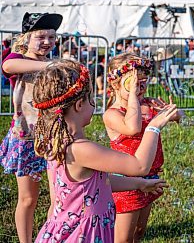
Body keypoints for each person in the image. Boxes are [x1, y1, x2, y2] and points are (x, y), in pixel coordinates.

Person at [32, 60, 176, 242]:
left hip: (67, 227)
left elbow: (98, 181)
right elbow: (140, 166)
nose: (94, 104)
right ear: (78, 105)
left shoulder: (58, 143)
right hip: (84, 234)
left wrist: (138, 184)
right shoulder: (81, 149)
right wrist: (154, 127)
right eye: (91, 100)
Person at [103, 53, 182, 242]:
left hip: (150, 176)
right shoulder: (112, 114)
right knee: (123, 239)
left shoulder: (148, 104)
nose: (139, 88)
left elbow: (179, 115)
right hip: (127, 182)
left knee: (139, 230)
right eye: (132, 83)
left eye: (143, 82)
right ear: (115, 84)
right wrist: (133, 96)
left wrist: (174, 113)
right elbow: (133, 127)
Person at [0, 12, 62, 243]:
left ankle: (49, 237)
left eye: (52, 37)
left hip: (53, 138)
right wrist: (52, 65)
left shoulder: (54, 65)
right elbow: (8, 65)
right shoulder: (18, 58)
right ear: (26, 38)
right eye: (41, 37)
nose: (47, 42)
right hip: (26, 140)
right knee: (28, 199)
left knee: (58, 199)